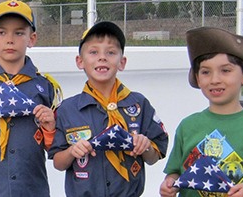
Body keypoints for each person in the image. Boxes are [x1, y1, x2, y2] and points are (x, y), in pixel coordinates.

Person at [159, 27, 243, 197]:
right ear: (198, 79)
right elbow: (174, 172)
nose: (215, 80)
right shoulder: (187, 126)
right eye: (206, 72)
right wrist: (169, 184)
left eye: (226, 70)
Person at [48, 21, 169, 196]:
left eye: (111, 52)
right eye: (93, 52)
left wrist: (146, 146)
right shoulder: (68, 109)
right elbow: (58, 163)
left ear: (122, 62)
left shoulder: (138, 104)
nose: (102, 57)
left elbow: (154, 157)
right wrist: (72, 151)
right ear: (80, 61)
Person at [0, 0, 60, 196]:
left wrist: (50, 130)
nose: (10, 39)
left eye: (19, 33)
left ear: (32, 38)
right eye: (1, 32)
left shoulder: (46, 87)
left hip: (32, 189)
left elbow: (56, 148)